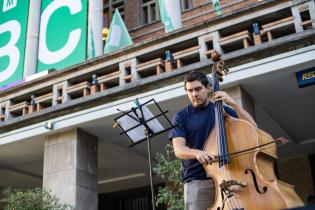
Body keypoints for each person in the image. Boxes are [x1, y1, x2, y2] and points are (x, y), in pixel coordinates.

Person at [169, 71, 257, 210]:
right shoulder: (181, 117)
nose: (194, 94)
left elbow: (252, 128)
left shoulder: (224, 111)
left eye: (198, 89)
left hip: (229, 176)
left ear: (208, 88)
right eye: (190, 91)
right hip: (197, 181)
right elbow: (179, 149)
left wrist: (233, 104)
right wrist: (197, 153)